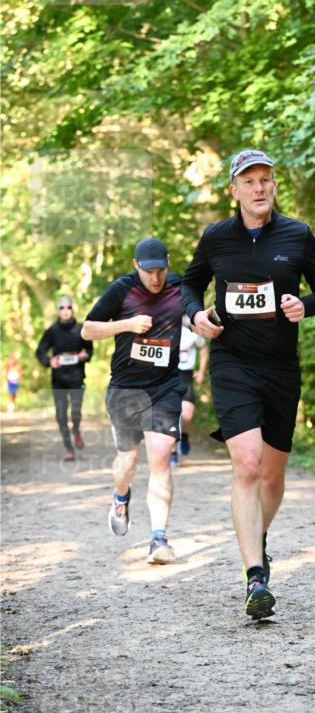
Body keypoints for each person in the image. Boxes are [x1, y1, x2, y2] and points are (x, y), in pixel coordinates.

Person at [182, 148, 315, 619]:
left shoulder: (297, 234)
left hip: (280, 368)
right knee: (247, 465)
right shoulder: (216, 238)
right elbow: (189, 285)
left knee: (271, 474)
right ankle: (255, 577)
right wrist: (196, 315)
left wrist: (304, 307)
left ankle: (258, 538)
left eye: (265, 179)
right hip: (232, 364)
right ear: (234, 190)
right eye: (249, 180)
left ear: (273, 185)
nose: (259, 187)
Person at [81, 238, 185, 564]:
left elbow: (196, 315)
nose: (156, 278)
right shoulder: (122, 290)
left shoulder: (180, 286)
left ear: (168, 264)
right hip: (126, 389)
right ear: (136, 265)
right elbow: (87, 330)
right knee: (127, 465)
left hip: (165, 387)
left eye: (161, 270)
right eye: (149, 271)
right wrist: (127, 324)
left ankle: (158, 540)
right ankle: (121, 497)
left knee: (160, 456)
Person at [35, 296, 93, 460]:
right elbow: (40, 352)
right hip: (58, 379)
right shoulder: (52, 331)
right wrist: (49, 361)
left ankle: (76, 429)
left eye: (68, 307)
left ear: (72, 309)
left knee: (75, 413)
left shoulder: (81, 329)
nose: (65, 310)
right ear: (58, 311)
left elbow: (89, 351)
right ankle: (69, 449)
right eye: (62, 308)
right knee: (61, 416)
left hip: (77, 378)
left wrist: (84, 356)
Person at [171, 314, 208, 467]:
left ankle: (184, 434)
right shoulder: (165, 330)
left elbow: (204, 349)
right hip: (170, 378)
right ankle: (173, 453)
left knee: (186, 416)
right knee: (172, 417)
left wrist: (201, 371)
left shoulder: (192, 332)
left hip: (186, 378)